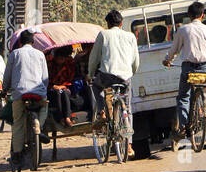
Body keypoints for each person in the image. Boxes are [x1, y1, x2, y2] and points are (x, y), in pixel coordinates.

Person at [163, 1, 206, 146]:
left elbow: (174, 50)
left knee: (183, 97)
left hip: (189, 69)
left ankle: (185, 125)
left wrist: (167, 60)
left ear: (189, 15)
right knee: (204, 86)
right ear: (202, 15)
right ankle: (202, 103)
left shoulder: (183, 30)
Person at [89, 9, 140, 138]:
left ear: (108, 24)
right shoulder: (131, 36)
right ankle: (129, 144)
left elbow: (94, 58)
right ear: (121, 23)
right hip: (125, 77)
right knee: (127, 109)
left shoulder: (103, 35)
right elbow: (136, 61)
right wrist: (131, 73)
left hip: (107, 76)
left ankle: (102, 112)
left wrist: (90, 74)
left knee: (95, 85)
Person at [6, 28, 49, 169]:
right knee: (44, 106)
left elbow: (7, 76)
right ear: (33, 42)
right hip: (38, 92)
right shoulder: (40, 54)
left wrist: (5, 89)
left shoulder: (14, 54)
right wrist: (43, 89)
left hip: (19, 93)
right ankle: (39, 125)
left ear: (20, 42)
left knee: (18, 122)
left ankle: (17, 153)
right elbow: (45, 78)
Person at [47, 47, 77, 126]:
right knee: (57, 93)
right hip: (52, 89)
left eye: (63, 58)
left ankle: (67, 117)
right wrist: (53, 86)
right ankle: (60, 118)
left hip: (65, 87)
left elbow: (70, 79)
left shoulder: (69, 65)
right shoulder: (50, 65)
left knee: (65, 93)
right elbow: (47, 79)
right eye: (59, 58)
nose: (61, 60)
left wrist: (62, 86)